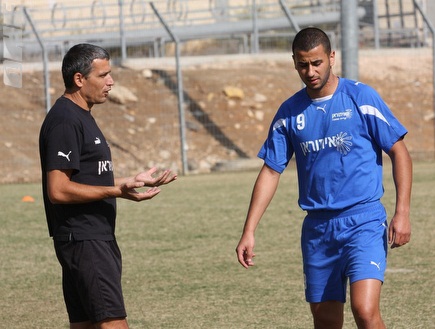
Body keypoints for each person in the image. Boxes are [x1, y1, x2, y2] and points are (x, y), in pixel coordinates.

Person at [235, 27, 412, 329]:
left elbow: (399, 152)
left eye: (317, 63)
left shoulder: (361, 97)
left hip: (364, 221)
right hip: (318, 229)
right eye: (303, 64)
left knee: (365, 310)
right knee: (326, 320)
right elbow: (271, 170)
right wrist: (249, 230)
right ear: (294, 62)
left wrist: (402, 213)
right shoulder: (289, 113)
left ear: (331, 57)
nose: (310, 71)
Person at [39, 43, 177, 329]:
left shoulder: (81, 115)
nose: (111, 81)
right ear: (79, 79)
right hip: (86, 240)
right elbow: (58, 189)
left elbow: (85, 179)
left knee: (85, 324)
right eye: (103, 75)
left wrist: (128, 181)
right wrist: (116, 192)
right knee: (113, 322)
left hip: (87, 238)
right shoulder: (65, 121)